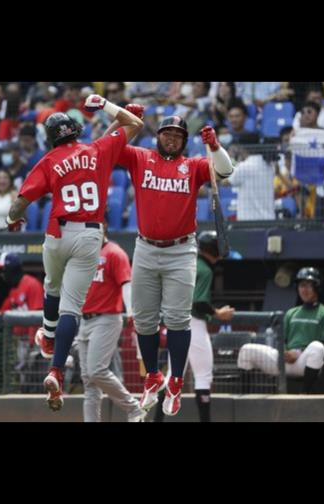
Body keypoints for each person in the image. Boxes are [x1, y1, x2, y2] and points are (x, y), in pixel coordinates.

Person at [5, 95, 143, 412]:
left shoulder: (49, 160)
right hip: (90, 233)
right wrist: (108, 105)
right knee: (72, 309)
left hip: (57, 231)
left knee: (52, 287)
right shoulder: (96, 149)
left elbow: (19, 204)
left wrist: (13, 220)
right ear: (76, 130)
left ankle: (49, 338)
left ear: (51, 137)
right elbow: (133, 124)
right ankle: (55, 368)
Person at [103, 108, 235, 417]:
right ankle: (153, 376)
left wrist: (215, 146)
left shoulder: (194, 165)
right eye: (167, 134)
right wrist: (121, 118)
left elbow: (226, 171)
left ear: (185, 141)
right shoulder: (139, 157)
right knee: (144, 320)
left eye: (178, 136)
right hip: (146, 248)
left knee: (177, 319)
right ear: (158, 136)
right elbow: (106, 146)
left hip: (180, 250)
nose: (172, 139)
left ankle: (175, 381)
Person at [153, 231, 233, 422]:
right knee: (203, 376)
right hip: (194, 324)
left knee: (173, 375)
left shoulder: (186, 262)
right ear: (212, 249)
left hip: (175, 323)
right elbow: (199, 302)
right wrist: (218, 313)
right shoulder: (205, 269)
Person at [74, 220, 147, 422]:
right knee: (89, 381)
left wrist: (131, 311)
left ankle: (134, 408)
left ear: (104, 226)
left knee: (97, 370)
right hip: (85, 320)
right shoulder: (82, 254)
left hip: (106, 318)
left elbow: (126, 283)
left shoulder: (114, 252)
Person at [237, 267, 324, 393]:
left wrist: (298, 353)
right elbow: (281, 339)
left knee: (317, 347)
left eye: (308, 286)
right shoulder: (291, 313)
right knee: (247, 349)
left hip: (304, 363)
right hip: (284, 361)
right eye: (301, 286)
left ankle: (305, 394)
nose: (304, 290)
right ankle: (244, 396)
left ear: (317, 287)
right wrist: (285, 352)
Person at [0, 252, 45, 392]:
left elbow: (37, 317)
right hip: (20, 342)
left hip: (35, 342)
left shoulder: (31, 285)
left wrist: (31, 343)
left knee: (37, 377)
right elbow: (1, 313)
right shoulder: (14, 290)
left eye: (3, 270)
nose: (1, 275)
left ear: (13, 269)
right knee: (24, 378)